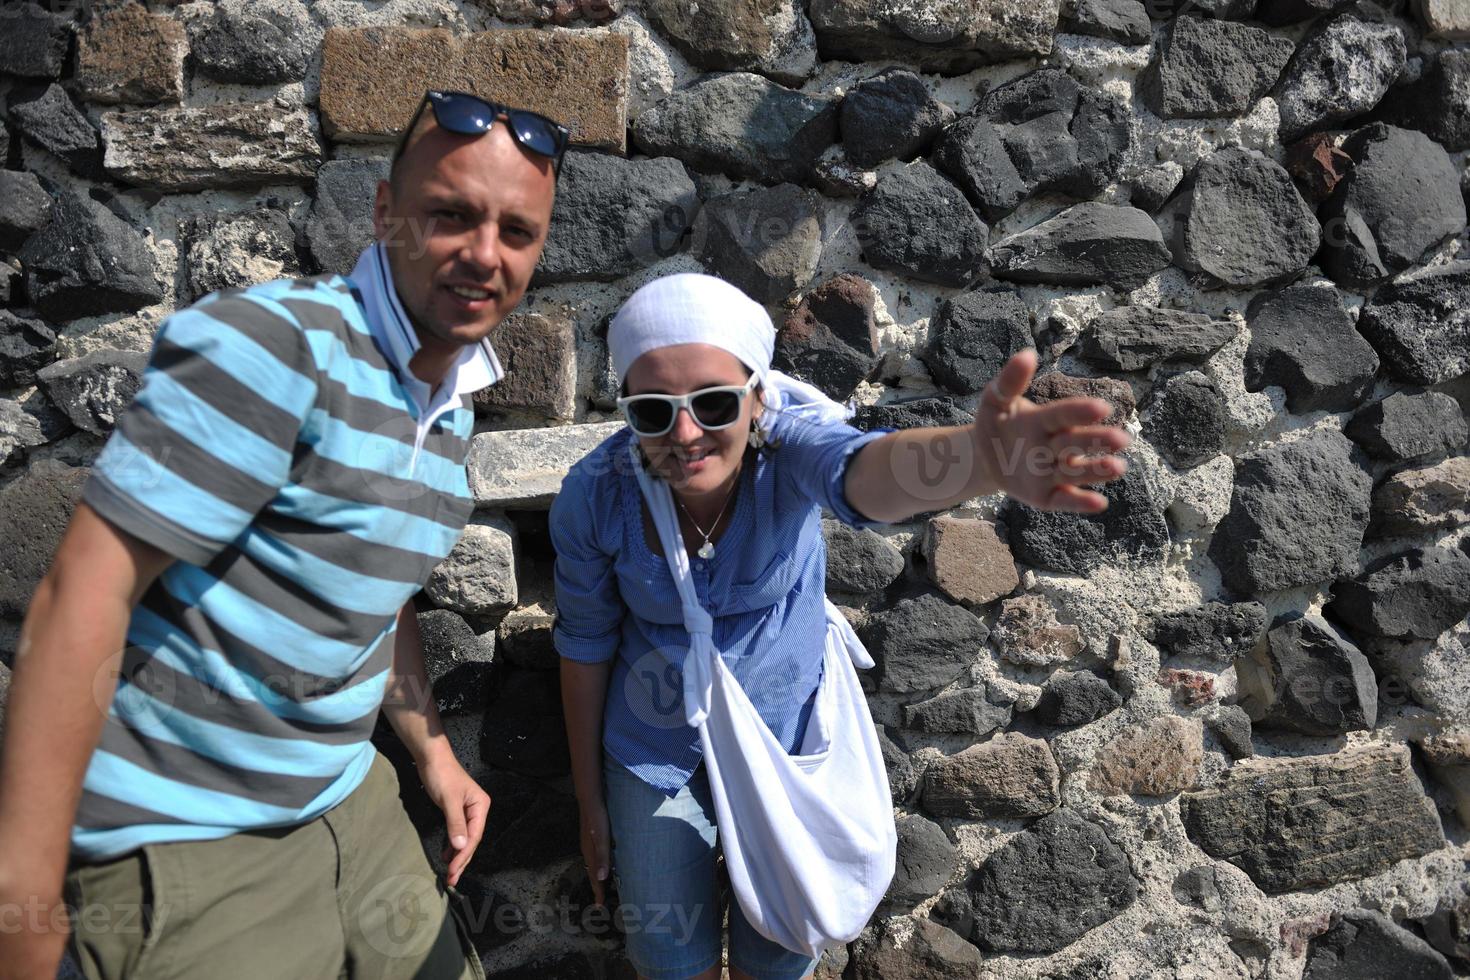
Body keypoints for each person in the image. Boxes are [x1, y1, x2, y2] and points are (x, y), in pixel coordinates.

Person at [0, 90, 567, 980]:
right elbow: (81, 596)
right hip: (194, 842)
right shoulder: (276, 346)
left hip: (354, 802)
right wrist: (21, 911)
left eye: (518, 231)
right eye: (450, 216)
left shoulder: (447, 401)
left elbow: (374, 596)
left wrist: (432, 753)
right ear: (385, 214)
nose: (484, 254)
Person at [551, 273, 1133, 980]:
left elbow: (860, 472)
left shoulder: (785, 447)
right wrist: (590, 801)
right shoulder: (596, 493)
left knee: (784, 948)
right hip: (656, 747)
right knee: (671, 959)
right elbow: (584, 642)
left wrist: (973, 461)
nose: (684, 433)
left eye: (712, 402)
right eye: (652, 411)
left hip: (788, 732)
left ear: (758, 398)